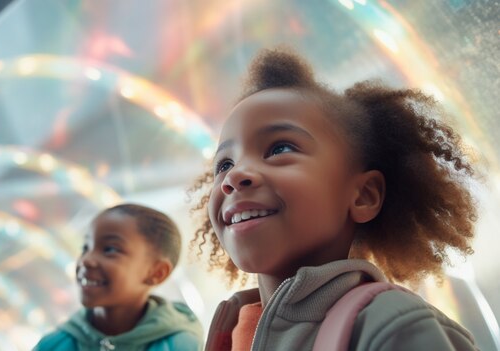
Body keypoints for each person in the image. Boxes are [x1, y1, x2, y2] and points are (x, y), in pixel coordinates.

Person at [189, 47, 479, 350]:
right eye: (224, 164)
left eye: (280, 149)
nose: (234, 177)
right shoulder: (235, 328)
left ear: (364, 196)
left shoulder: (395, 327)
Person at [34, 203, 203, 351]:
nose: (86, 260)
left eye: (110, 249)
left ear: (156, 273)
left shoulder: (183, 345)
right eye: (86, 247)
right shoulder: (51, 346)